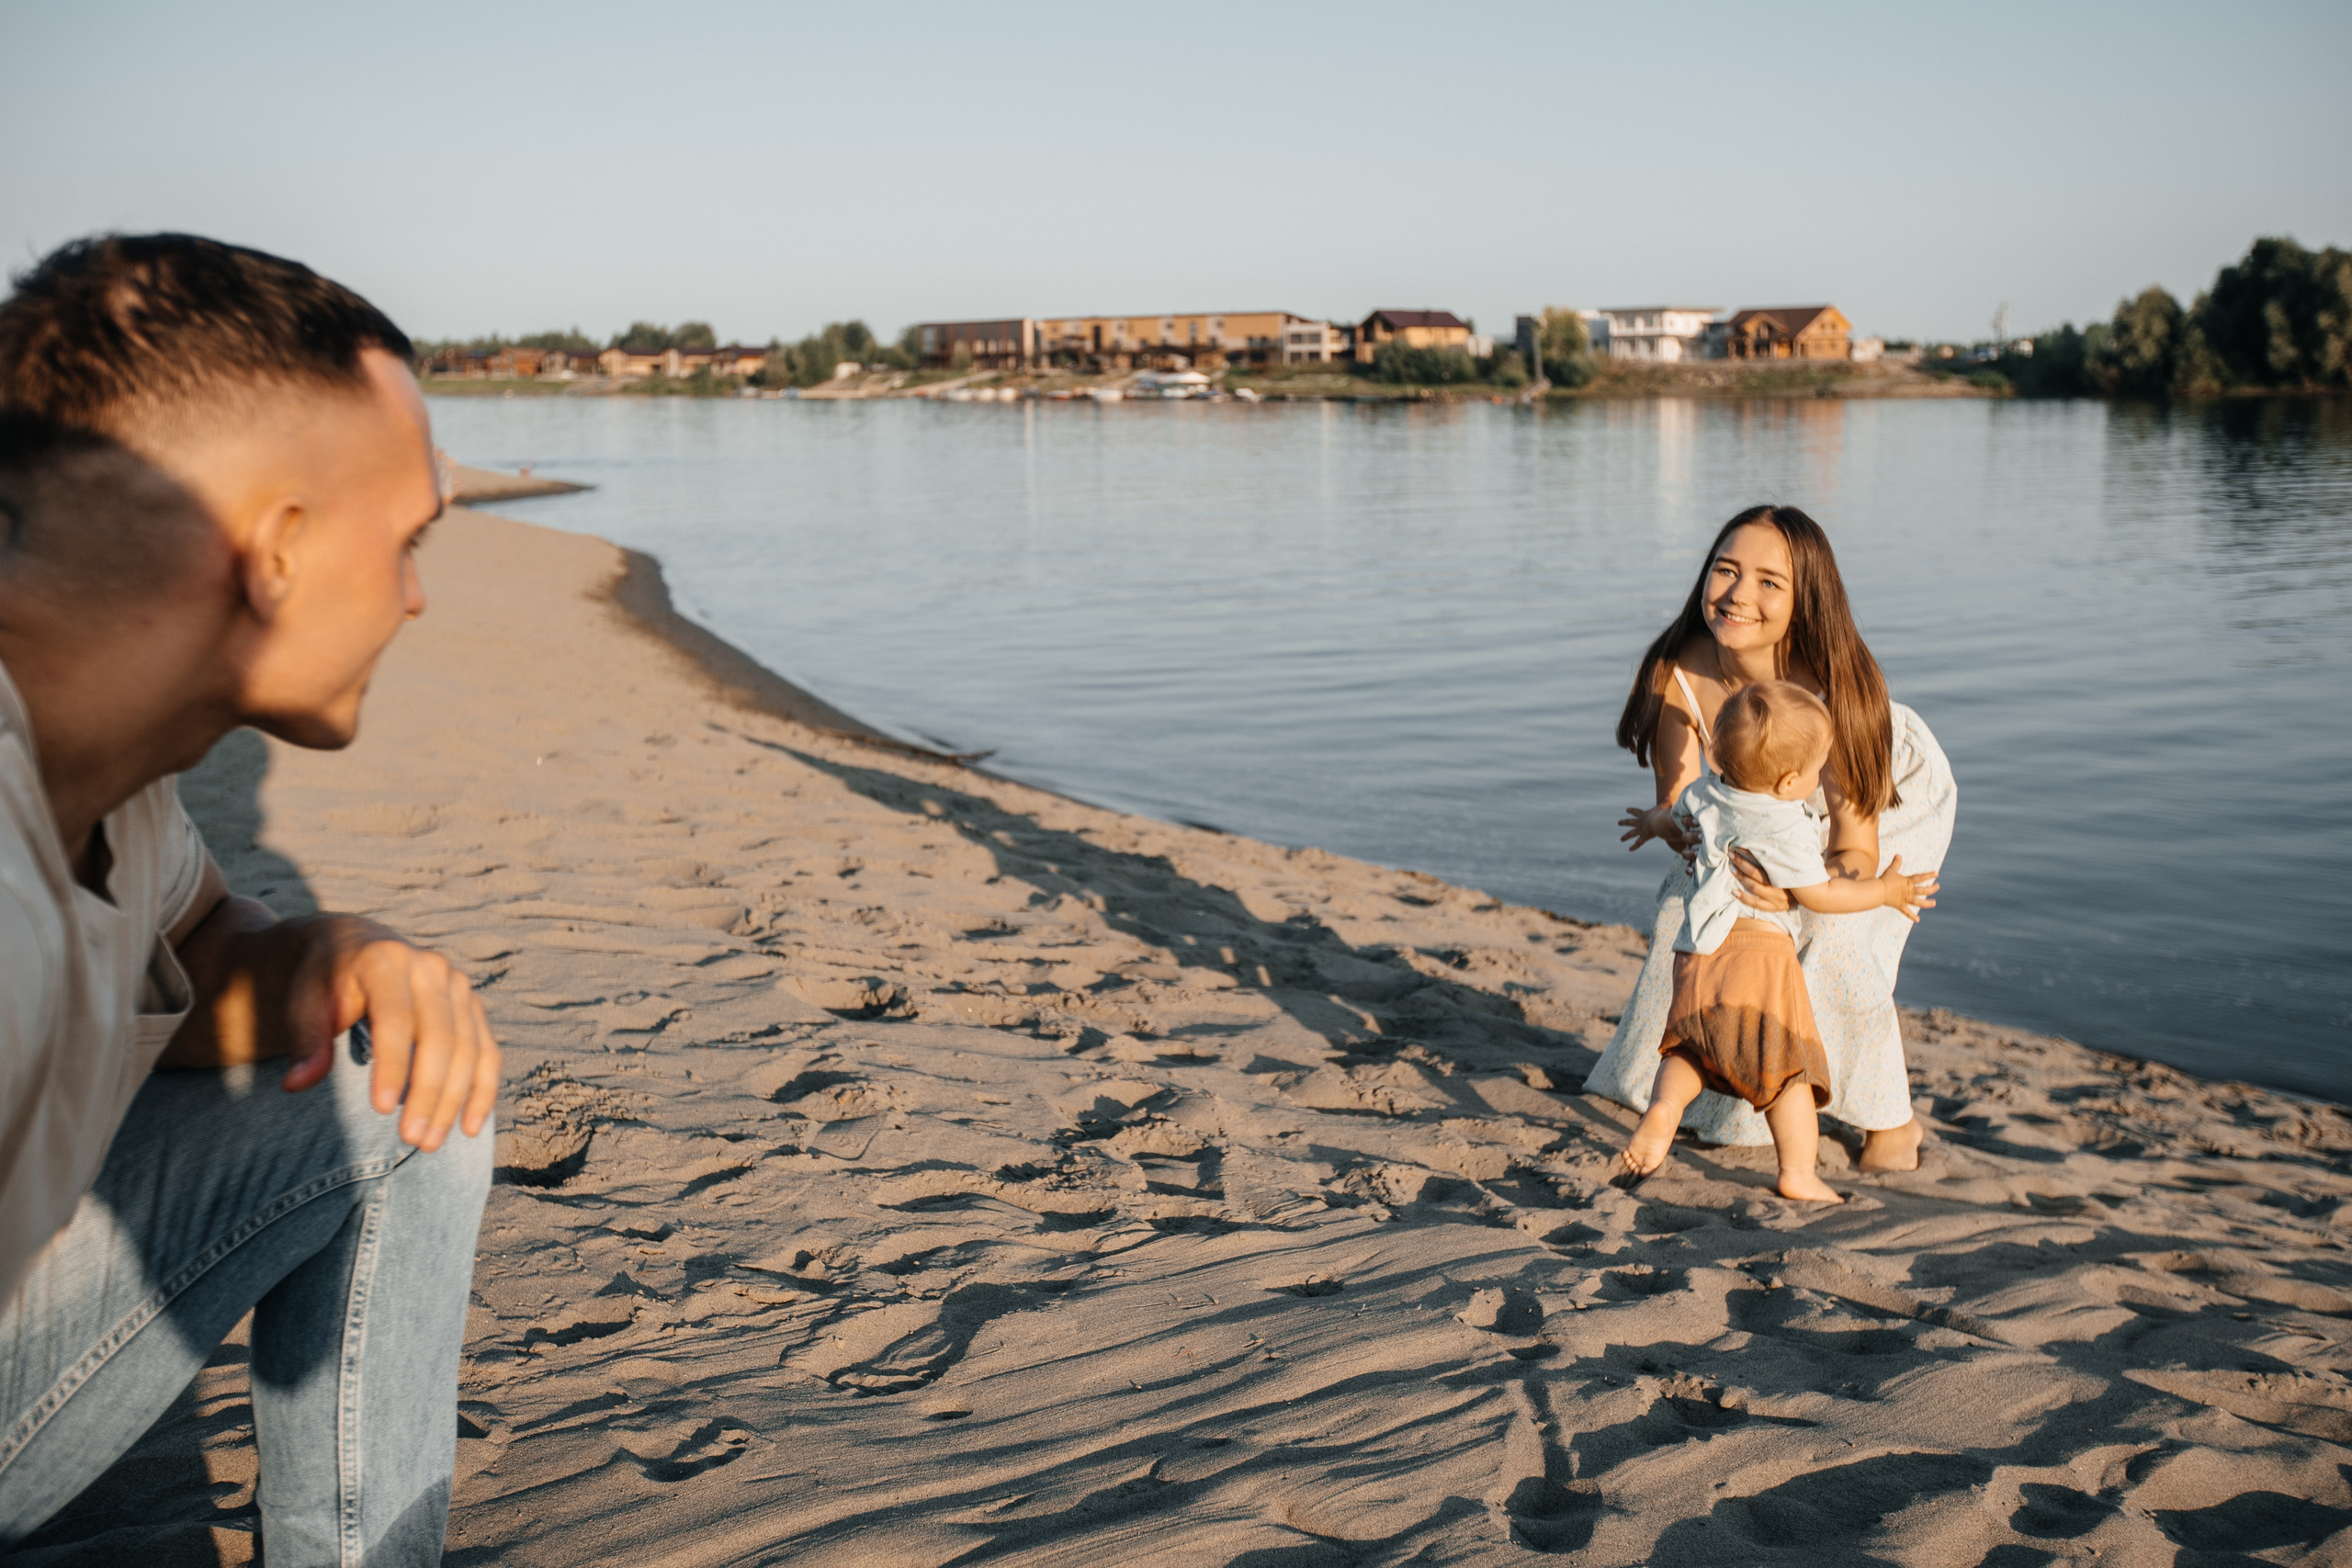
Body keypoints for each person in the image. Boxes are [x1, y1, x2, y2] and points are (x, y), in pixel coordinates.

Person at [0, 234, 500, 1564]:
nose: (415, 594)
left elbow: (201, 939)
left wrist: (342, 954)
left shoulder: (107, 774)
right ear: (276, 551)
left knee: (397, 1066)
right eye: (404, 539)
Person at [1584, 504, 1957, 1171]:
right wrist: (1698, 847)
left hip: (1879, 793)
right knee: (1688, 915)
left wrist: (1797, 893)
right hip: (1751, 811)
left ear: (1804, 600)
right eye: (1725, 570)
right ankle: (1695, 1092)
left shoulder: (1841, 687)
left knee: (1838, 937)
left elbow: (1855, 846)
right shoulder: (1681, 672)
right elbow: (1682, 809)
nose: (1737, 594)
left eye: (1768, 582)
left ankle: (1891, 1124)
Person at [1614, 681, 1936, 1201]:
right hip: (1758, 960)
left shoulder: (1704, 795)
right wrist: (1886, 891)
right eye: (1814, 772)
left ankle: (1664, 1109)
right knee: (1790, 1077)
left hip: (1696, 955)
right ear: (1790, 782)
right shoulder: (1784, 826)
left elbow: (1668, 817)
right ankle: (1798, 1173)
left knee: (1693, 1051)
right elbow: (1823, 895)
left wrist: (1649, 825)